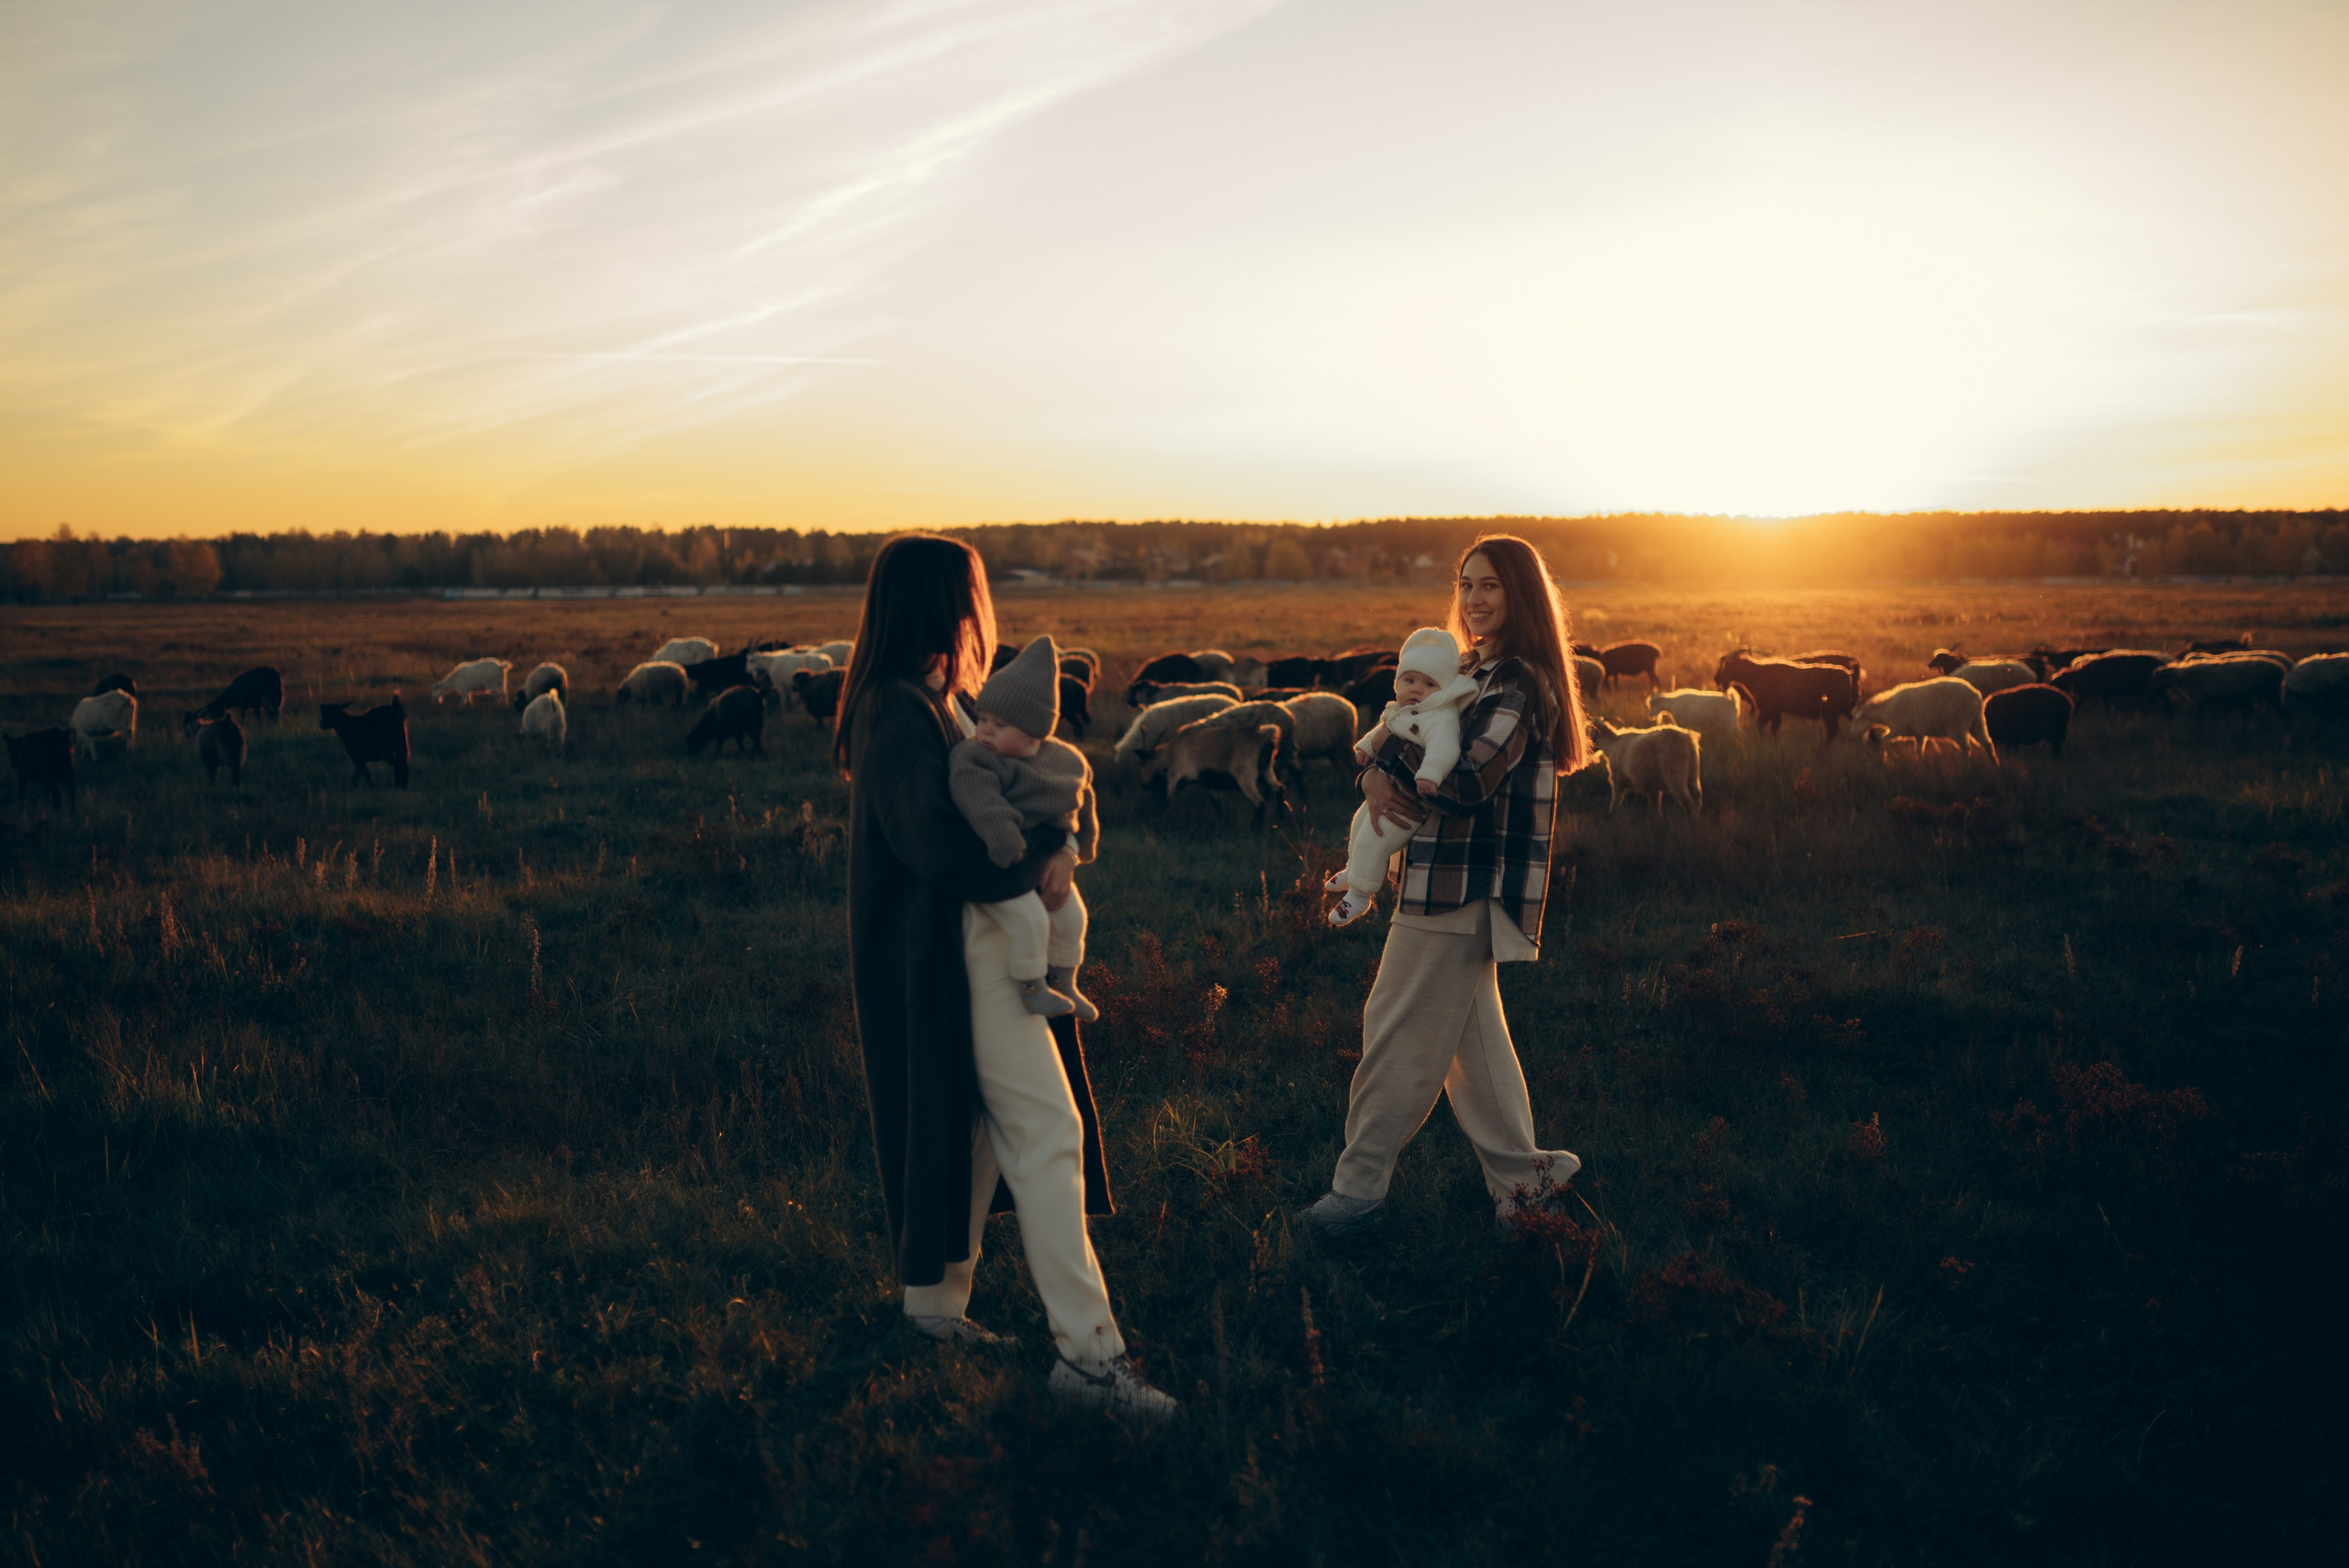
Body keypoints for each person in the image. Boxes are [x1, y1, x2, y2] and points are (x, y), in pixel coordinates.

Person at [839, 535, 1175, 1419]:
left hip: (977, 950)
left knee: (984, 1131)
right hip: (966, 958)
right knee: (1047, 1131)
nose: (981, 615)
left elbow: (1017, 795)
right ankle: (1091, 1360)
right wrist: (1036, 863)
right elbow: (935, 839)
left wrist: (1058, 840)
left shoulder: (932, 701)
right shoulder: (899, 707)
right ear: (944, 602)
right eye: (973, 596)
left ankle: (933, 1310)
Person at [1299, 535, 1591, 1236]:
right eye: (1465, 585)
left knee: (1393, 1031)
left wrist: (1386, 775)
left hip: (1464, 886)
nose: (1474, 599)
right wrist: (1374, 770)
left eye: (1489, 585)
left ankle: (1357, 1194)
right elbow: (1398, 741)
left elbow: (1468, 782)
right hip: (1432, 877)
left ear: (1520, 593)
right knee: (1474, 1047)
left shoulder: (1516, 684)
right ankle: (1529, 1189)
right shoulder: (1465, 672)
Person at [947, 634, 1100, 1021]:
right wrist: (1007, 842)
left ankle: (1065, 980)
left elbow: (1081, 799)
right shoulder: (975, 758)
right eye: (981, 719)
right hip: (1002, 859)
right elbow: (981, 801)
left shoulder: (1064, 760)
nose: (984, 730)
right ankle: (1032, 987)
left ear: (1035, 733)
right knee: (1027, 917)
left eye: (999, 724)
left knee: (1071, 914)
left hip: (1045, 852)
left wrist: (1080, 844)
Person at [1326, 625, 1484, 927]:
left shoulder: (1441, 716)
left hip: (1411, 801)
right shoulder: (1401, 710)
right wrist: (1365, 749)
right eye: (1409, 680)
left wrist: (1430, 774)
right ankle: (1351, 869)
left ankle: (1359, 896)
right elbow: (1382, 732)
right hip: (1389, 787)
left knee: (1376, 839)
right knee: (1360, 824)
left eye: (1428, 684)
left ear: (1445, 690)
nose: (1416, 689)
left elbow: (1444, 748)